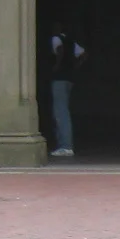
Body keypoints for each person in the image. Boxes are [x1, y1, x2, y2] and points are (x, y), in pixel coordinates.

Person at [47, 22, 85, 159]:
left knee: (60, 112)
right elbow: (82, 54)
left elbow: (60, 50)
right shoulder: (71, 41)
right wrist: (74, 66)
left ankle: (65, 146)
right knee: (63, 110)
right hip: (69, 79)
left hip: (59, 79)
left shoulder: (56, 39)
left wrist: (57, 65)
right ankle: (64, 145)